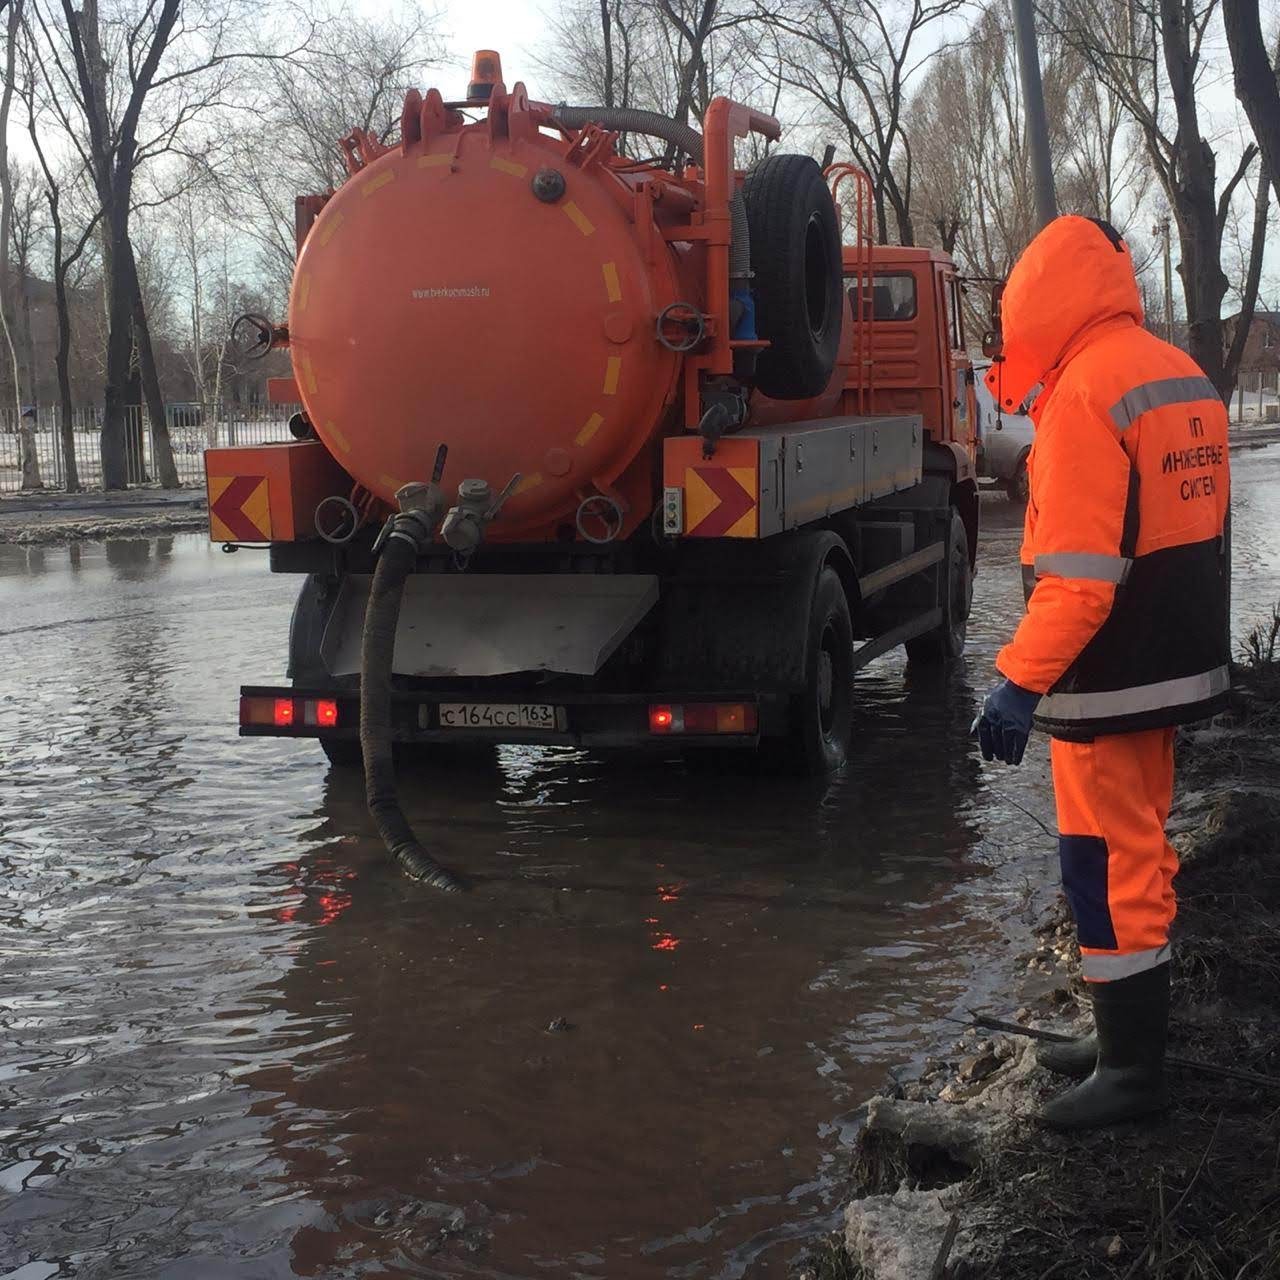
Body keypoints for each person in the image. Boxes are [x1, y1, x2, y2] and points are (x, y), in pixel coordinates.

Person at [974, 215, 1231, 1130]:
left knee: (1104, 863)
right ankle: (1117, 1037)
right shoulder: (1176, 374)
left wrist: (1014, 684)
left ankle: (1130, 1072)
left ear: (1036, 302)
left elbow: (1079, 585)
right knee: (1139, 850)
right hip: (1171, 660)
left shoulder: (1084, 395)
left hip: (1109, 674)